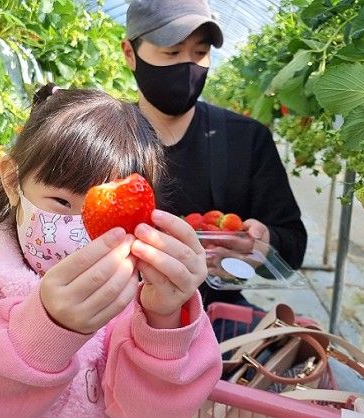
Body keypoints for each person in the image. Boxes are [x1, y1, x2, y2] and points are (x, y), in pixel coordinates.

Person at [0, 84, 222, 417]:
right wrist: (44, 330)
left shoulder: (135, 296)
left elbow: (155, 410)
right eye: (62, 202)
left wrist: (164, 318)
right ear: (11, 180)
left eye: (108, 215)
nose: (82, 230)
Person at [121, 0, 308, 314]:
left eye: (199, 53)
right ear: (130, 53)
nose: (188, 66)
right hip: (112, 322)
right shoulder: (102, 141)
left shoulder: (245, 139)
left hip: (213, 319)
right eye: (172, 52)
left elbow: (292, 245)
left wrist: (262, 245)